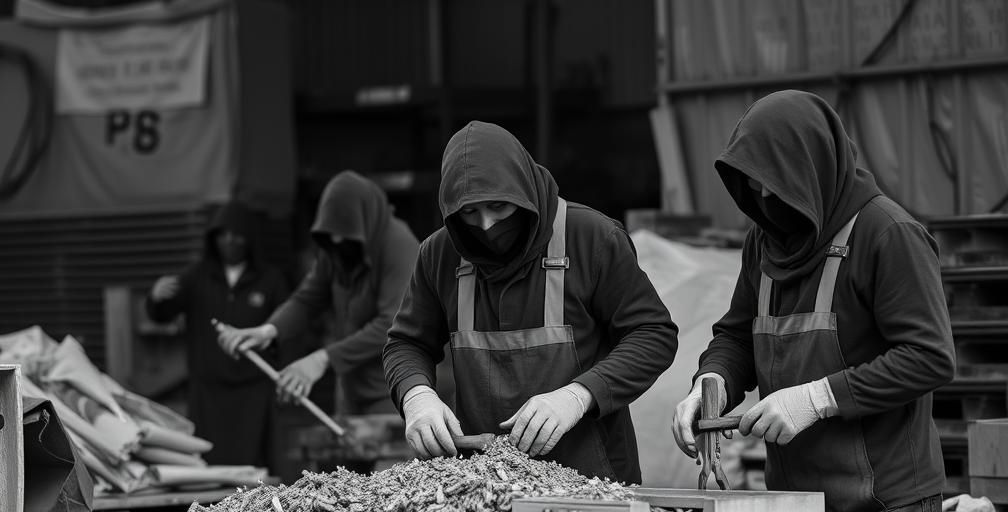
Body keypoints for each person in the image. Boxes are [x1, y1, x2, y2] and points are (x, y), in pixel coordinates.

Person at [671, 90, 956, 511]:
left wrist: (816, 399)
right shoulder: (765, 243)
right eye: (754, 186)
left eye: (777, 187)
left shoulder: (888, 235)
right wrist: (710, 384)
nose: (765, 200)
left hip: (888, 500)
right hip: (796, 499)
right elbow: (736, 337)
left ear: (812, 169)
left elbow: (929, 357)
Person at [383, 120, 679, 484]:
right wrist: (416, 396)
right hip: (485, 488)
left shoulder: (593, 239)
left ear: (523, 190)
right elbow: (407, 343)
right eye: (469, 213)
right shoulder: (439, 254)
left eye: (498, 207)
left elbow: (653, 334)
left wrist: (579, 395)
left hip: (596, 489)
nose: (488, 226)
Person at [217, 171, 420, 417]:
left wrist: (321, 359)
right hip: (349, 389)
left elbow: (391, 324)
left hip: (393, 391)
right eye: (330, 238)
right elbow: (308, 298)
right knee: (346, 452)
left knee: (392, 454)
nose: (337, 242)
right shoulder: (334, 247)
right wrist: (267, 331)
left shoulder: (399, 246)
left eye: (345, 238)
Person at [146, 201, 290, 467]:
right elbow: (163, 312)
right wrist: (156, 299)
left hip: (253, 389)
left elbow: (287, 329)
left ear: (249, 239)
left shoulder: (270, 279)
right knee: (210, 462)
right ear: (213, 239)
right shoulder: (197, 275)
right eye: (223, 235)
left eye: (237, 235)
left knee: (254, 464)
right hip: (208, 390)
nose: (230, 242)